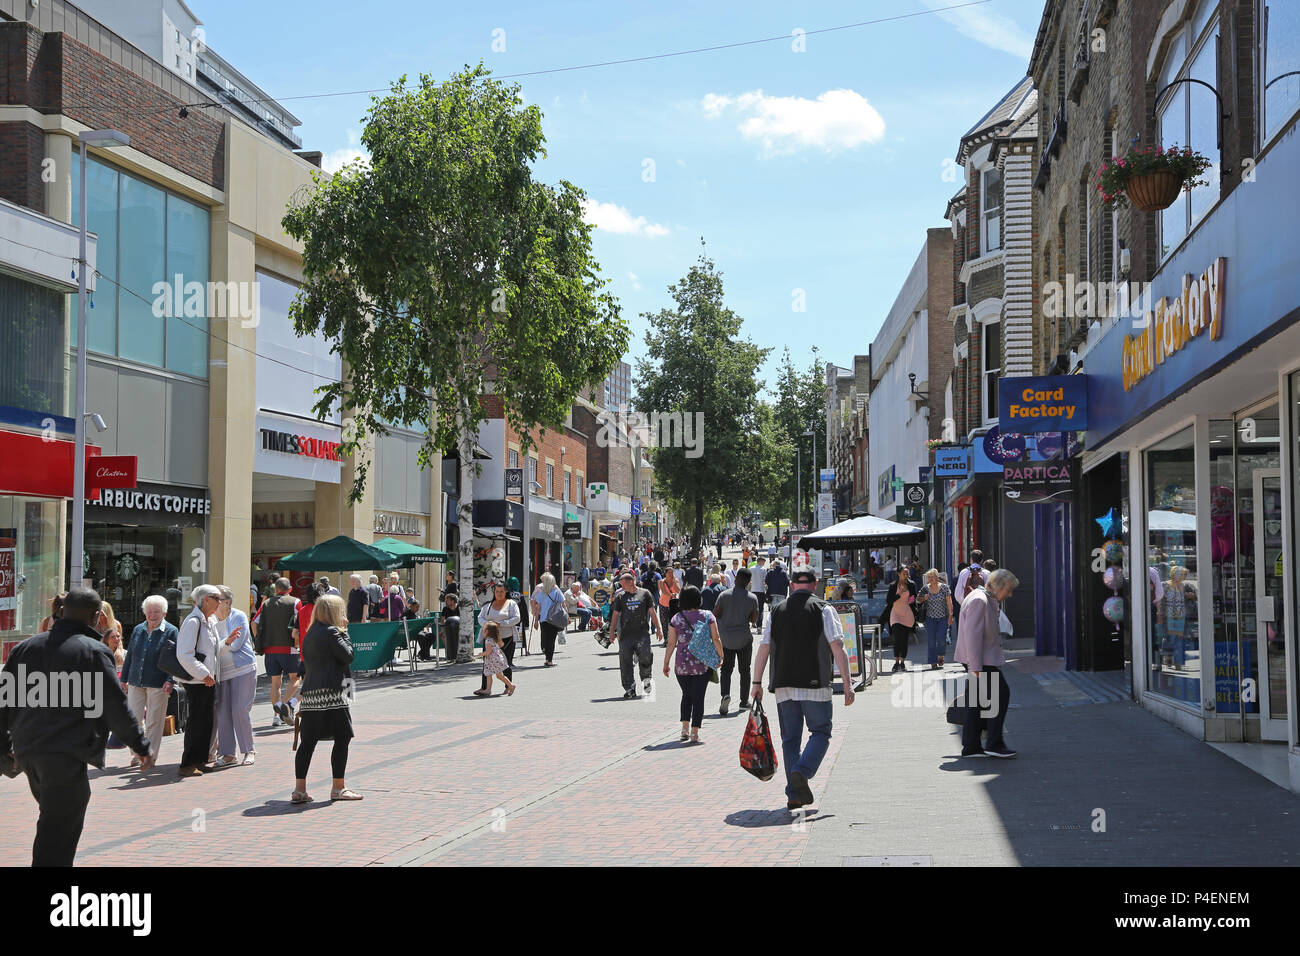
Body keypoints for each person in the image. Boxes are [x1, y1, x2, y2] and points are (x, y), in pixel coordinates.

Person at [0, 587, 154, 865]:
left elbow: (3, 700)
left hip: (28, 751)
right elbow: (114, 704)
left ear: (62, 611)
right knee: (57, 828)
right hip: (64, 752)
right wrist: (140, 744)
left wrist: (4, 748)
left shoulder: (25, 648)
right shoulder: (93, 651)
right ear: (96, 617)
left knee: (55, 819)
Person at [751, 569, 856, 812]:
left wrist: (756, 684)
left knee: (790, 740)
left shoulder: (775, 611)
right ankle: (802, 771)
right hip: (815, 683)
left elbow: (764, 647)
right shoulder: (824, 609)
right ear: (815, 584)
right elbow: (837, 647)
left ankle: (794, 795)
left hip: (783, 684)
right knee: (820, 732)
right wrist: (848, 684)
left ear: (790, 584)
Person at [291, 593, 361, 803]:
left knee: (308, 742)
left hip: (311, 693)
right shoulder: (332, 632)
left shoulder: (311, 632)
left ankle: (299, 789)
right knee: (343, 738)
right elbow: (348, 656)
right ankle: (338, 787)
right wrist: (345, 632)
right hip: (331, 693)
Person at [954, 568, 1020, 758]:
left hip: (980, 660)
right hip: (981, 661)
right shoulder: (979, 600)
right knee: (1000, 695)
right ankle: (994, 743)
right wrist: (975, 666)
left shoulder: (982, 598)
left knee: (976, 702)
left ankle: (971, 746)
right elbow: (972, 636)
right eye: (1008, 589)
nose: (1010, 594)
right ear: (998, 587)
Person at [664, 585, 723, 743]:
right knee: (698, 698)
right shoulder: (707, 615)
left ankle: (684, 728)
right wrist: (720, 655)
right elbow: (716, 638)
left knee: (686, 696)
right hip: (701, 664)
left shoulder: (676, 618)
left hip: (681, 665)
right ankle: (695, 732)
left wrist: (666, 663)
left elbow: (671, 643)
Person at [175, 584, 223, 777]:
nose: (219, 602)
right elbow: (184, 653)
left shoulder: (208, 620)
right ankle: (187, 763)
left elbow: (212, 650)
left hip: (207, 680)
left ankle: (199, 759)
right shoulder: (193, 621)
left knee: (206, 721)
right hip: (198, 680)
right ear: (205, 600)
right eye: (216, 598)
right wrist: (203, 673)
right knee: (197, 721)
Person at [122, 595, 175, 767]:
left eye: (156, 612)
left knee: (154, 721)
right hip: (136, 680)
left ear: (164, 613)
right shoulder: (138, 629)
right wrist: (124, 678)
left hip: (159, 682)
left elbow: (175, 658)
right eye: (149, 611)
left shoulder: (171, 631)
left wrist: (170, 679)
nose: (152, 615)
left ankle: (149, 756)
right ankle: (138, 753)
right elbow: (130, 655)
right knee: (133, 720)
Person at [213, 585, 257, 767]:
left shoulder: (238, 616)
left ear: (226, 602)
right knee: (223, 712)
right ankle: (228, 754)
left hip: (243, 669)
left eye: (216, 599)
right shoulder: (211, 619)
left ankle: (249, 749)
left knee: (239, 709)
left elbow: (236, 644)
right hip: (221, 672)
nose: (212, 602)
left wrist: (220, 646)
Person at [609, 570, 664, 699]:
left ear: (630, 582)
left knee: (646, 658)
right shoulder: (620, 597)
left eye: (623, 584)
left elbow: (652, 612)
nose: (621, 587)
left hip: (642, 635)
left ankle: (646, 683)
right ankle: (629, 688)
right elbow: (615, 615)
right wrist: (612, 632)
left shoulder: (645, 594)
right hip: (625, 635)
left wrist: (658, 628)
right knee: (625, 662)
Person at [714, 567, 760, 715]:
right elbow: (754, 620)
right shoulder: (752, 598)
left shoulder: (723, 595)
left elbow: (715, 615)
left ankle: (725, 695)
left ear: (736, 579)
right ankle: (743, 701)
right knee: (744, 670)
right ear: (748, 582)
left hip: (726, 638)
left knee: (726, 669)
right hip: (744, 638)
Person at [476, 582, 521, 690]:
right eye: (497, 591)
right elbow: (480, 618)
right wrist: (488, 624)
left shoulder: (511, 604)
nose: (499, 594)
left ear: (506, 592)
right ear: (494, 592)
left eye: (502, 591)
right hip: (489, 639)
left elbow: (516, 618)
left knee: (506, 663)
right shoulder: (487, 605)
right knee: (486, 663)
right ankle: (485, 688)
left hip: (506, 638)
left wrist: (501, 624)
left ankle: (508, 686)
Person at [883, 566, 919, 673]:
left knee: (904, 639)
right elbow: (889, 600)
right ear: (899, 574)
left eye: (907, 573)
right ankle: (896, 662)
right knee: (896, 638)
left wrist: (911, 600)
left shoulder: (911, 584)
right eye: (904, 573)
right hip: (895, 613)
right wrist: (899, 594)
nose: (906, 575)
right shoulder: (893, 586)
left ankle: (902, 662)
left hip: (907, 613)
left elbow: (914, 597)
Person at [474, 621, 517, 697]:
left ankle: (489, 689)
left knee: (489, 674)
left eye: (483, 630)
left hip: (492, 660)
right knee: (498, 675)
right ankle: (510, 685)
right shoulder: (496, 639)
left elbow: (488, 651)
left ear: (486, 631)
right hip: (498, 659)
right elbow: (501, 645)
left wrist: (481, 654)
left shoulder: (487, 640)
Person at [921, 569, 953, 670]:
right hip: (930, 618)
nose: (930, 579)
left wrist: (951, 616)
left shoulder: (944, 587)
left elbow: (949, 601)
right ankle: (933, 661)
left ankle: (940, 655)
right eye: (928, 577)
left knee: (941, 638)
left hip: (943, 618)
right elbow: (918, 599)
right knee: (931, 640)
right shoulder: (925, 588)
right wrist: (923, 598)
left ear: (936, 577)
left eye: (932, 577)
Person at [532, 572, 565, 667]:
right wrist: (566, 616)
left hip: (543, 619)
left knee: (546, 638)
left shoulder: (541, 593)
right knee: (551, 640)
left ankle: (547, 656)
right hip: (554, 619)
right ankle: (549, 659)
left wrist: (535, 621)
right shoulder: (557, 592)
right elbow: (563, 604)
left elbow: (538, 607)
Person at [952, 549, 984, 640]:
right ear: (982, 560)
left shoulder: (964, 572)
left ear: (971, 559)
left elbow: (957, 594)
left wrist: (965, 603)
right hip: (982, 609)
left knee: (966, 635)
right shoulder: (986, 573)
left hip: (967, 608)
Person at [657, 565, 681, 645]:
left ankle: (674, 639)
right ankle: (666, 639)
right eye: (669, 572)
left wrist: (674, 582)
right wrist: (671, 595)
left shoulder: (676, 581)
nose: (671, 574)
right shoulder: (661, 582)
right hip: (663, 604)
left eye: (672, 572)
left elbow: (678, 590)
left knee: (674, 622)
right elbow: (664, 592)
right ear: (665, 573)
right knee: (664, 622)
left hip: (673, 604)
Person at [751, 555, 769, 629]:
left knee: (753, 608)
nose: (764, 563)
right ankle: (759, 626)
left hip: (753, 591)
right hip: (761, 591)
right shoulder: (763, 569)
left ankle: (753, 622)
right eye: (764, 562)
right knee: (761, 609)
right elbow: (765, 581)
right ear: (760, 561)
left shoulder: (751, 569)